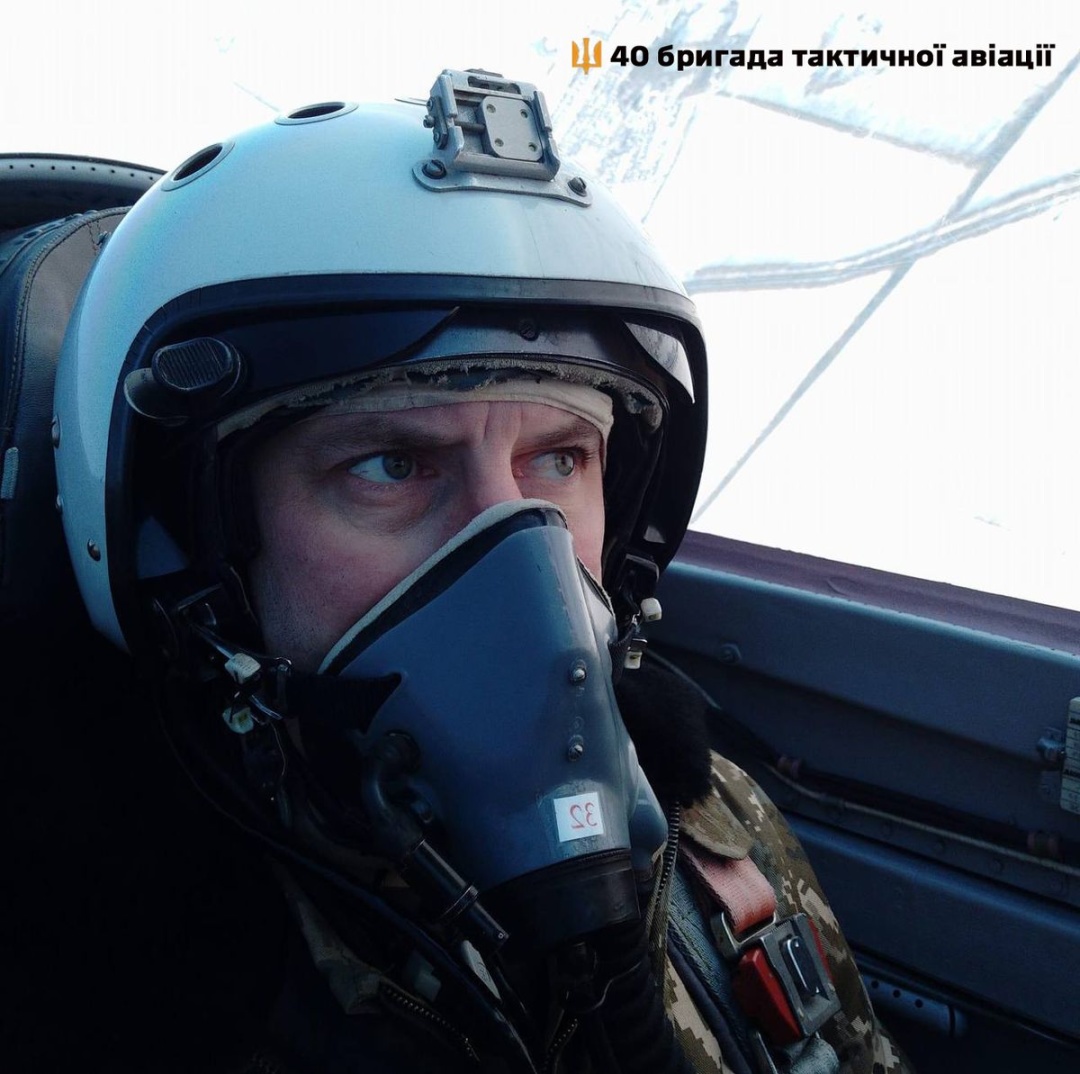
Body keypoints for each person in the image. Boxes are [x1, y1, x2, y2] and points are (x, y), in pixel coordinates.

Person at [50, 68, 913, 1073]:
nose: (516, 557)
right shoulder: (115, 988)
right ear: (197, 556)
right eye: (392, 465)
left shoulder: (715, 830)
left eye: (559, 459)